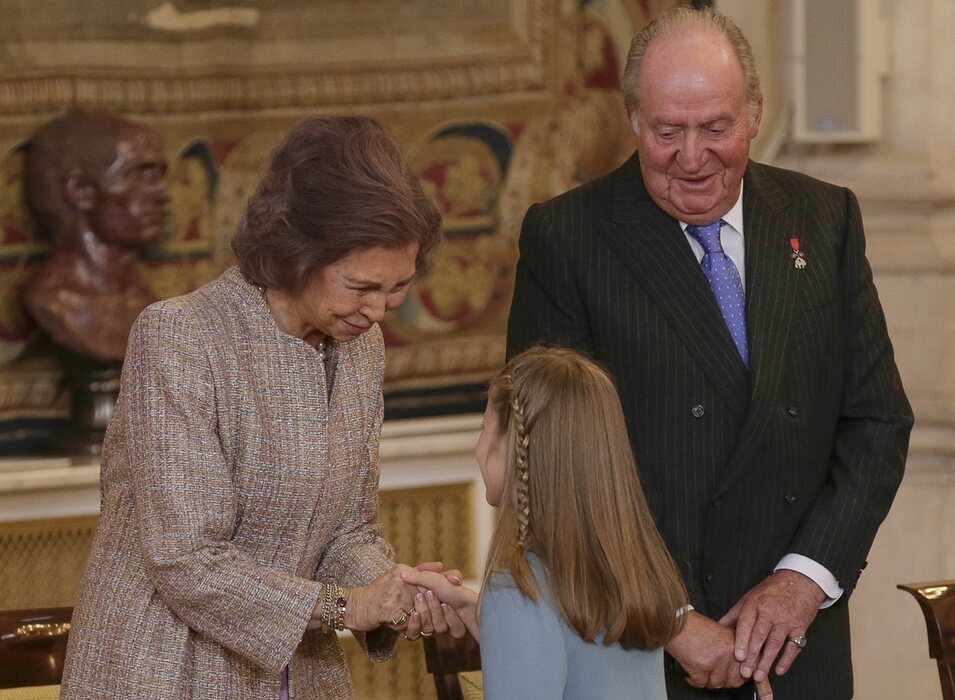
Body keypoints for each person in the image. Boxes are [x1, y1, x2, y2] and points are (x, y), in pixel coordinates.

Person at [505, 7, 913, 700]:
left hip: (792, 648)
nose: (691, 157)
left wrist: (801, 581)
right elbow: (549, 462)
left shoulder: (824, 217)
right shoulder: (568, 239)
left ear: (754, 113)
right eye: (667, 131)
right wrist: (669, 620)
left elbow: (875, 423)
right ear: (633, 119)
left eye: (715, 128)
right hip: (642, 646)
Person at [60, 115, 459, 700]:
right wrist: (348, 606)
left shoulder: (359, 347)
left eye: (396, 288)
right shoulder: (180, 338)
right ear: (299, 251)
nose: (378, 311)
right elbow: (186, 560)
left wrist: (397, 592)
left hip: (300, 676)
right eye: (361, 286)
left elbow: (348, 527)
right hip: (166, 674)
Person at [403, 346, 689, 699]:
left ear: (514, 447)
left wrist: (502, 612)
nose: (478, 447)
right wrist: (486, 616)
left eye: (484, 427)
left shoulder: (518, 591)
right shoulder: (628, 571)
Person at [21, 110, 170, 361]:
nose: (163, 195)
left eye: (157, 176)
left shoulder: (152, 305)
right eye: (139, 174)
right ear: (81, 191)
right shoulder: (57, 301)